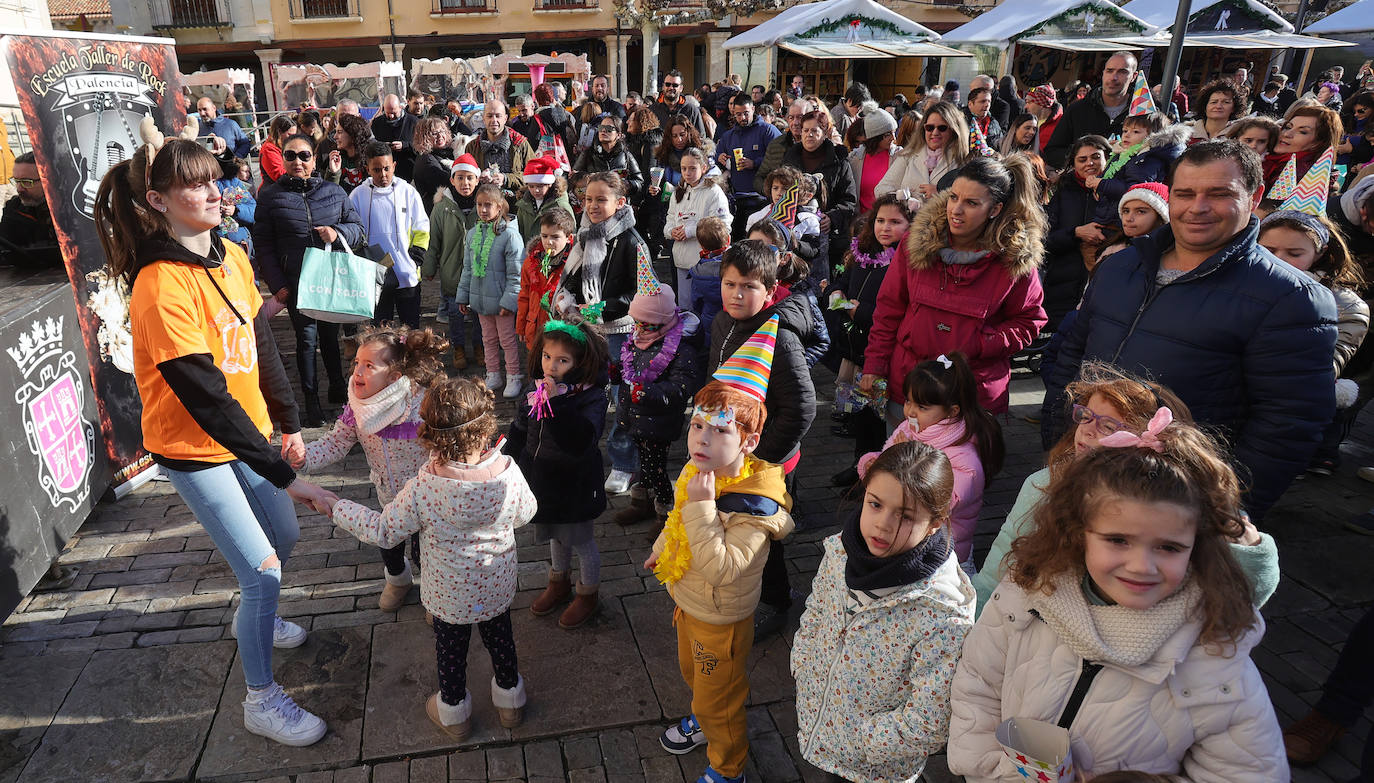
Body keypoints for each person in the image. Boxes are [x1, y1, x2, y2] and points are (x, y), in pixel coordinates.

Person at [94, 137, 337, 746]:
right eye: (194, 186)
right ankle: (261, 698)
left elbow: (260, 347)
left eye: (214, 179)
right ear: (158, 201)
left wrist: (289, 424)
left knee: (283, 537)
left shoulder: (231, 254)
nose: (212, 192)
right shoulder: (158, 284)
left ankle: (260, 617)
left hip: (250, 434)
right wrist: (286, 474)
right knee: (262, 572)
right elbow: (204, 396)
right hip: (193, 449)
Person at [947, 417, 1289, 781]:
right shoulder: (1026, 593)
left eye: (1169, 547)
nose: (1142, 566)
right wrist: (989, 770)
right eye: (1118, 540)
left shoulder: (1215, 653)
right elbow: (978, 683)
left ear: (1197, 546)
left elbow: (1250, 772)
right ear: (1079, 532)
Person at [1041, 140, 1339, 521]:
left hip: (1175, 503)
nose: (1197, 207)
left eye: (1218, 194)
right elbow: (1072, 356)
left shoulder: (1293, 298)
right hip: (1081, 473)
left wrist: (1222, 512)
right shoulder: (1120, 267)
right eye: (1184, 193)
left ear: (1255, 196)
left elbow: (1288, 426)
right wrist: (1057, 439)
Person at [325, 375, 535, 738]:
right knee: (501, 641)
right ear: (486, 426)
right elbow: (525, 513)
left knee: (450, 654)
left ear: (431, 433)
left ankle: (454, 717)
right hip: (495, 587)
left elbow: (384, 530)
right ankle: (510, 704)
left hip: (448, 595)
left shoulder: (426, 486)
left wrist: (336, 506)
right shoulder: (509, 473)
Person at [976, 364, 1279, 614]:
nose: (1088, 429)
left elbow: (1242, 593)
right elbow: (1000, 569)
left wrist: (1247, 549)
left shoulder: (1183, 503)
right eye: (1086, 416)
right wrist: (976, 621)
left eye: (1109, 426)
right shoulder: (1043, 485)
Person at [646, 321, 796, 783]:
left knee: (722, 697)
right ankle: (702, 717)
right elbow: (678, 521)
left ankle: (728, 767)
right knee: (695, 676)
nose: (700, 440)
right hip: (688, 601)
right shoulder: (700, 470)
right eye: (696, 426)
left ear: (749, 442)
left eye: (717, 431)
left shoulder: (755, 506)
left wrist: (703, 507)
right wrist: (660, 547)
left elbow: (725, 568)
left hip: (720, 614)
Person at [792, 440, 974, 783]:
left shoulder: (941, 613)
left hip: (876, 768)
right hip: (822, 732)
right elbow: (816, 610)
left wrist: (864, 741)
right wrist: (803, 664)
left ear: (935, 522)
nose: (882, 524)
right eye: (874, 504)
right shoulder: (839, 553)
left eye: (905, 516)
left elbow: (931, 718)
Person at [861, 154, 1048, 418]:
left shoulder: (1015, 260)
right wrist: (874, 365)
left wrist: (982, 343)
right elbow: (889, 309)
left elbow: (1029, 320)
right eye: (953, 197)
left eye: (971, 203)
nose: (956, 210)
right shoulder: (914, 244)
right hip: (908, 390)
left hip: (971, 395)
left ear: (994, 209)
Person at [708, 241, 817, 638]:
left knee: (762, 533)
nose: (737, 294)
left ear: (770, 291)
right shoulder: (723, 320)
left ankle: (775, 600)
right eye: (729, 283)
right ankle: (742, 586)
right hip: (731, 452)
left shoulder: (780, 337)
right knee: (736, 522)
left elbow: (802, 408)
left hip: (766, 461)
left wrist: (761, 456)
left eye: (749, 287)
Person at [294, 324, 445, 610]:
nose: (357, 373)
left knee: (426, 548)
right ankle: (398, 580)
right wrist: (303, 456)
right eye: (356, 364)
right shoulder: (357, 404)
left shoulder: (422, 404)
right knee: (389, 544)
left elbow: (443, 446)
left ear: (395, 376)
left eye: (368, 366)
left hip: (426, 494)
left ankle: (434, 594)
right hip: (388, 493)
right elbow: (336, 442)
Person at [253, 133, 367, 425]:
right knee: (306, 341)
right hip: (296, 281)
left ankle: (338, 389)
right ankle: (310, 399)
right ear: (282, 159)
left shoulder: (333, 191)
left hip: (329, 280)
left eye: (304, 155)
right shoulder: (270, 197)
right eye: (290, 155)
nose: (297, 162)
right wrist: (277, 284)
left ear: (314, 159)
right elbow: (263, 245)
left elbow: (357, 229)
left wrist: (337, 233)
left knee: (330, 337)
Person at [506, 317, 611, 629]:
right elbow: (521, 428)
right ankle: (558, 580)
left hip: (575, 482)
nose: (551, 366)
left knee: (580, 540)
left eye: (562, 360)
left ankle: (588, 592)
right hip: (542, 478)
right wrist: (506, 461)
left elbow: (581, 440)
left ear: (580, 362)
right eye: (547, 357)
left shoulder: (590, 395)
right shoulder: (535, 388)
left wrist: (559, 404)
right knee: (554, 532)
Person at [857, 351, 1003, 571]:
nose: (910, 411)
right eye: (908, 401)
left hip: (944, 551)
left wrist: (904, 457)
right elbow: (887, 463)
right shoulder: (912, 428)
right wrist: (873, 465)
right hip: (906, 538)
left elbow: (941, 502)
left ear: (952, 411)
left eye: (922, 407)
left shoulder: (963, 455)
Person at [551, 171, 644, 494]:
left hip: (620, 334)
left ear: (619, 203)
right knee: (584, 395)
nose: (592, 205)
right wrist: (566, 300)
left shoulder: (632, 241)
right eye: (588, 199)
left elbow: (641, 295)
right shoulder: (584, 236)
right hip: (587, 333)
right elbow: (572, 280)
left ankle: (624, 462)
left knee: (623, 400)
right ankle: (584, 450)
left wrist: (593, 311)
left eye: (600, 199)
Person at [1258, 207, 1367, 476]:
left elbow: (1324, 367)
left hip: (1279, 412)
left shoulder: (1345, 306)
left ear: (1320, 254)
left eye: (1294, 254)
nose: (1279, 260)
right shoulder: (1234, 282)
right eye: (1268, 250)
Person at [827, 193, 914, 466]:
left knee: (878, 421)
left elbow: (902, 312)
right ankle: (858, 467)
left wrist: (859, 311)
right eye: (880, 220)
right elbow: (839, 280)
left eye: (895, 222)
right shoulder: (861, 252)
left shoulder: (906, 261)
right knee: (859, 416)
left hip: (880, 355)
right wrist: (835, 291)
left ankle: (874, 471)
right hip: (853, 351)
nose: (885, 228)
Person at [612, 256, 698, 525]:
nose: (638, 329)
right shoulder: (638, 338)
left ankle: (665, 512)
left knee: (657, 468)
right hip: (635, 416)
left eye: (645, 324)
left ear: (662, 323)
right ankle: (642, 502)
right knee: (643, 465)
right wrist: (615, 371)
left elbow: (682, 387)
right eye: (636, 322)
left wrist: (649, 392)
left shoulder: (679, 349)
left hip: (658, 421)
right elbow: (629, 366)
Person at [349, 141, 430, 329]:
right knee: (380, 331)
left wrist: (416, 257)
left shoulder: (408, 192)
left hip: (406, 273)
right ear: (368, 169)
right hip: (375, 274)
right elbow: (351, 229)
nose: (383, 175)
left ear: (394, 165)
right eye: (376, 170)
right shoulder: (357, 195)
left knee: (410, 331)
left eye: (387, 168)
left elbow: (422, 226)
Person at [458, 183, 524, 398]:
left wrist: (508, 301)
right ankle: (493, 373)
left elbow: (516, 274)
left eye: (488, 205)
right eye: (479, 205)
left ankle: (514, 375)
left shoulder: (510, 236)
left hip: (501, 301)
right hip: (480, 301)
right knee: (487, 339)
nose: (483, 209)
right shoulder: (471, 234)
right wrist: (463, 295)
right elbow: (467, 269)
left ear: (499, 207)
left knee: (507, 340)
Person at [1041, 136, 1110, 331]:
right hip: (1062, 285)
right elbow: (1045, 240)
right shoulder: (1063, 191)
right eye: (1082, 159)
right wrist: (1076, 233)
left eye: (1096, 157)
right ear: (1073, 163)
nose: (1089, 163)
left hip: (1102, 286)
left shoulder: (1117, 191)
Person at [781, 110, 859, 281]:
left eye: (814, 131)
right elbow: (779, 191)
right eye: (805, 130)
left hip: (829, 237)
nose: (809, 135)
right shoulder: (790, 158)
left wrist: (832, 218)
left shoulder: (839, 161)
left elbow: (849, 199)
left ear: (825, 134)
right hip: (795, 233)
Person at [423, 154, 483, 370]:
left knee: (479, 315)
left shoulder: (484, 204)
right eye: (460, 178)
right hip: (452, 272)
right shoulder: (441, 208)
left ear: (477, 180)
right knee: (455, 315)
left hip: (479, 273)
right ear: (452, 180)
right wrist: (429, 267)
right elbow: (433, 240)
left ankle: (479, 346)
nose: (465, 183)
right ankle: (458, 347)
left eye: (469, 178)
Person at [1086, 112, 1187, 227]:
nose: (1127, 135)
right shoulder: (1121, 153)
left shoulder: (1146, 159)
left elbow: (1136, 190)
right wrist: (1097, 183)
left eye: (1135, 132)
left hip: (1125, 220)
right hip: (1109, 213)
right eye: (1125, 131)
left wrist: (1102, 184)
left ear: (1152, 136)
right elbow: (1113, 174)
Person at [1043, 51, 1138, 169]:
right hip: (1079, 185)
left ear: (1134, 76)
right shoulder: (1077, 110)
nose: (1113, 77)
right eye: (1109, 71)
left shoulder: (1143, 113)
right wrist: (1082, 157)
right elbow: (1052, 152)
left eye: (1122, 72)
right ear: (1103, 73)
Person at [665, 146, 731, 309]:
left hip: (705, 262)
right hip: (682, 259)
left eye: (692, 168)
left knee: (704, 306)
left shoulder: (713, 192)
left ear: (703, 168)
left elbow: (722, 224)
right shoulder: (678, 192)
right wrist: (671, 231)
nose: (687, 173)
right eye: (684, 168)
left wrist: (690, 231)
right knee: (685, 305)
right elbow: (670, 218)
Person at [874, 102, 970, 207]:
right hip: (908, 222)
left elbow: (968, 200)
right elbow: (881, 190)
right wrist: (904, 200)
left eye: (942, 128)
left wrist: (941, 194)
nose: (935, 132)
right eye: (930, 127)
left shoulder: (962, 161)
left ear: (953, 130)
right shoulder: (908, 155)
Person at [717, 93, 781, 238]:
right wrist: (719, 157)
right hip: (736, 199)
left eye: (746, 113)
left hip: (761, 199)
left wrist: (755, 163)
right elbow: (717, 156)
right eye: (738, 115)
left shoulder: (767, 130)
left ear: (753, 109)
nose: (742, 118)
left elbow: (780, 157)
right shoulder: (729, 136)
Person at [516, 207, 575, 349]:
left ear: (568, 237)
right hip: (535, 328)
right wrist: (521, 326)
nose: (549, 242)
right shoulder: (530, 262)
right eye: (544, 236)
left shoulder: (573, 264)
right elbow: (524, 295)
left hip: (562, 330)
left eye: (555, 237)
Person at [1263, 105, 1343, 204]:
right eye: (1288, 127)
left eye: (1302, 132)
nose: (1286, 134)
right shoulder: (1269, 157)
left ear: (1318, 143)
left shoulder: (1299, 177)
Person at [465, 100, 536, 197]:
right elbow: (466, 179)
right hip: (484, 206)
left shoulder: (520, 144)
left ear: (505, 118)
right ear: (483, 119)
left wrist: (506, 179)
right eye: (489, 116)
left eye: (498, 116)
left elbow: (534, 175)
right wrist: (478, 179)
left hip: (516, 206)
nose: (494, 120)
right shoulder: (472, 147)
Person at [0, 152, 58, 264]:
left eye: (27, 182)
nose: (19, 188)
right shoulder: (14, 208)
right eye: (16, 181)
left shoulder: (69, 209)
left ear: (47, 180)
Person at [572, 114, 645, 199]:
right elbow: (574, 184)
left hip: (618, 205)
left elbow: (640, 182)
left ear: (619, 135)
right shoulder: (588, 153)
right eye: (601, 127)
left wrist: (623, 184)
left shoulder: (626, 155)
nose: (603, 131)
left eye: (609, 129)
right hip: (594, 204)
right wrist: (587, 179)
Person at [849, 108, 899, 214]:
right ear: (875, 137)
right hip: (860, 222)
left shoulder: (899, 156)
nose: (893, 138)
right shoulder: (855, 158)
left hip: (888, 221)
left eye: (894, 132)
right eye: (887, 135)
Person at [756, 97, 816, 186]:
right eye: (791, 118)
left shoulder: (819, 146)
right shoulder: (776, 145)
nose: (795, 122)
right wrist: (772, 192)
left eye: (800, 117)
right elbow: (759, 178)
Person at [513, 156, 572, 245]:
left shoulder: (560, 204)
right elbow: (519, 231)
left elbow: (570, 232)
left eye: (540, 186)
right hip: (529, 254)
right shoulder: (524, 204)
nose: (536, 190)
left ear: (549, 184)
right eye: (531, 186)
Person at [688, 216, 731, 337]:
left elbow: (696, 301)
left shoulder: (697, 271)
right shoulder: (737, 264)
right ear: (728, 239)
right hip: (734, 319)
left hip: (709, 321)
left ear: (701, 245)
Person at [411, 117, 457, 212]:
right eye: (434, 133)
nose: (440, 136)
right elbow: (448, 183)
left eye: (442, 131)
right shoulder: (426, 160)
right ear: (424, 137)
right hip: (436, 213)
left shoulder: (445, 153)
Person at [213, 151, 255, 253]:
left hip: (240, 242)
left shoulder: (231, 183)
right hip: (215, 244)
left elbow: (253, 210)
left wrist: (236, 210)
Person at [371, 94, 419, 181]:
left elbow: (422, 147)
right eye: (388, 113)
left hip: (409, 171)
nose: (391, 116)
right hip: (385, 173)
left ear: (400, 108)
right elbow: (371, 145)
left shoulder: (414, 122)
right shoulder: (377, 123)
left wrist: (405, 145)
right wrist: (383, 146)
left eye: (394, 113)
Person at [324, 112, 373, 194]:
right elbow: (328, 193)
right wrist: (333, 173)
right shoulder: (335, 159)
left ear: (353, 134)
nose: (335, 136)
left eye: (339, 132)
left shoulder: (371, 159)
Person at [652, 70, 705, 137]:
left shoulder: (692, 110)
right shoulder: (652, 111)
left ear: (681, 88)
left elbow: (700, 136)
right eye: (667, 84)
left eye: (675, 85)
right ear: (663, 86)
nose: (671, 88)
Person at [259, 115, 298, 186]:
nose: (292, 138)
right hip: (273, 190)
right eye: (289, 134)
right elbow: (279, 175)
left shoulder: (285, 146)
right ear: (279, 132)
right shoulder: (269, 149)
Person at [964, 86, 1005, 151]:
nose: (987, 105)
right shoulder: (961, 121)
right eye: (982, 101)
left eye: (989, 101)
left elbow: (1001, 146)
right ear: (970, 104)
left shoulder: (994, 123)